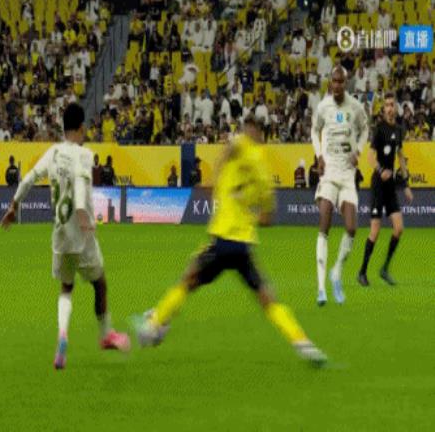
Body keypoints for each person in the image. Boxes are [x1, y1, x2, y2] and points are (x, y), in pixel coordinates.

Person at [134, 115, 327, 367]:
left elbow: (230, 149)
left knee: (187, 280)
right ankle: (303, 343)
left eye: (246, 129)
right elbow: (267, 218)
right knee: (268, 299)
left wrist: (215, 181)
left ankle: (153, 325)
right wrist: (247, 211)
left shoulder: (240, 145)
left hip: (223, 239)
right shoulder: (264, 168)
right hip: (243, 245)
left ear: (251, 131)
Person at [0, 103, 129, 370]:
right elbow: (80, 187)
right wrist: (83, 216)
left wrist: (14, 206)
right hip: (81, 235)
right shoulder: (84, 155)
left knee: (66, 288)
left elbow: (28, 179)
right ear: (81, 127)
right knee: (100, 283)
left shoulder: (53, 152)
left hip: (59, 235)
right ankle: (106, 335)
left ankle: (62, 336)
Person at [311, 66, 369, 306]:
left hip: (347, 174)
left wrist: (359, 151)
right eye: (334, 81)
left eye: (341, 82)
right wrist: (318, 156)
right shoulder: (323, 107)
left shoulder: (355, 106)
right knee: (324, 225)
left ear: (346, 83)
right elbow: (314, 131)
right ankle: (321, 288)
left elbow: (365, 129)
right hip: (329, 174)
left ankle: (336, 273)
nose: (337, 85)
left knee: (352, 228)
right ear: (330, 83)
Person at [358, 93, 413, 286]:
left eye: (392, 105)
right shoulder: (379, 129)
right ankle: (362, 272)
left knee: (399, 228)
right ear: (383, 109)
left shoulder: (399, 130)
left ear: (396, 108)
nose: (390, 108)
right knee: (375, 230)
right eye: (387, 105)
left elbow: (401, 157)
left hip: (390, 186)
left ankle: (384, 269)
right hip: (378, 184)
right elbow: (370, 157)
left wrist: (406, 185)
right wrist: (381, 170)